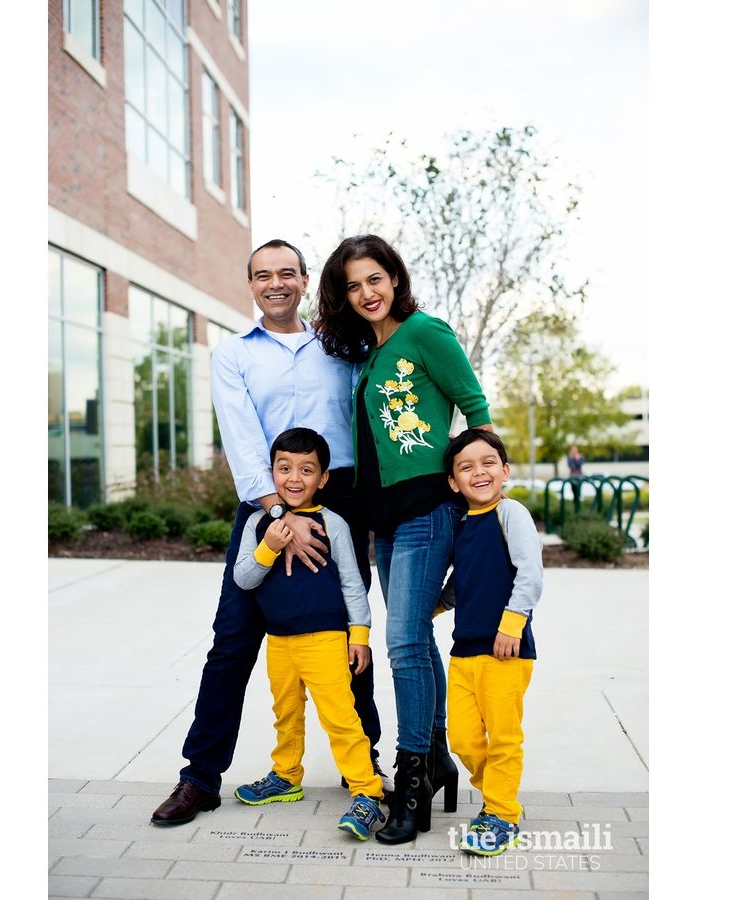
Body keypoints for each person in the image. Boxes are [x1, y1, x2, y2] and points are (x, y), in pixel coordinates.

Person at [150, 240, 385, 827]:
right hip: (265, 504)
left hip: (340, 502)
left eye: (286, 272)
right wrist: (280, 516)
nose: (275, 283)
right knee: (231, 644)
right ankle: (199, 778)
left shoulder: (343, 346)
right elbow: (241, 437)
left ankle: (369, 767)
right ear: (251, 285)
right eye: (262, 275)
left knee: (348, 640)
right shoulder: (233, 355)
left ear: (305, 280)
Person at [314, 234, 494, 844]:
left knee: (404, 646)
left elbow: (474, 407)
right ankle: (436, 757)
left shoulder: (425, 332)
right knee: (415, 640)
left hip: (426, 509)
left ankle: (412, 777)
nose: (365, 293)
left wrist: (481, 494)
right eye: (352, 285)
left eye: (374, 279)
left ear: (395, 278)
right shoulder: (370, 352)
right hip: (383, 520)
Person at [231, 427, 387, 840]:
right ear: (271, 472)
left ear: (323, 478)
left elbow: (353, 582)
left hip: (326, 640)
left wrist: (360, 634)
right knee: (286, 713)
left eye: (306, 469)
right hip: (279, 641)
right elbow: (243, 579)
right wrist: (267, 545)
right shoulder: (257, 523)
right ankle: (286, 775)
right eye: (284, 468)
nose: (294, 478)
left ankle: (367, 792)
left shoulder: (332, 522)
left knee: (340, 717)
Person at [437, 429, 543, 857]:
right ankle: (500, 798)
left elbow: (530, 574)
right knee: (463, 738)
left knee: (503, 738)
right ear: (452, 482)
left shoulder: (510, 513)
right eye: (466, 467)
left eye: (487, 463)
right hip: (464, 652)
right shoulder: (461, 524)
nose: (478, 472)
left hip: (506, 650)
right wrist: (434, 609)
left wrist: (511, 625)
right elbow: (460, 582)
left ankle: (501, 814)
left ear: (504, 470)